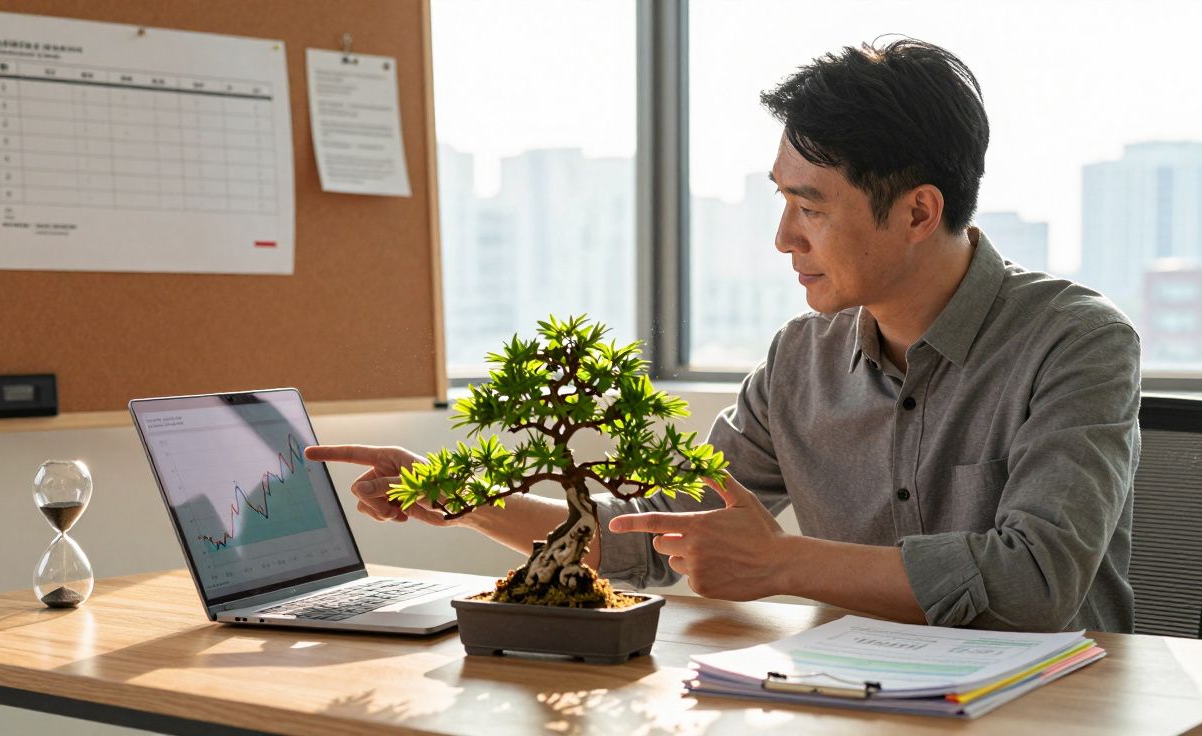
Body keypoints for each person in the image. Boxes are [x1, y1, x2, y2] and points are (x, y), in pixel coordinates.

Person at [307, 38, 1140, 633]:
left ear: (919, 210)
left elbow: (1035, 583)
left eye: (811, 206)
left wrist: (779, 565)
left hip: (1049, 709)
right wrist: (466, 499)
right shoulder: (798, 362)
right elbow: (657, 538)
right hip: (857, 699)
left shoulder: (1076, 343)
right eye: (781, 199)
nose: (784, 238)